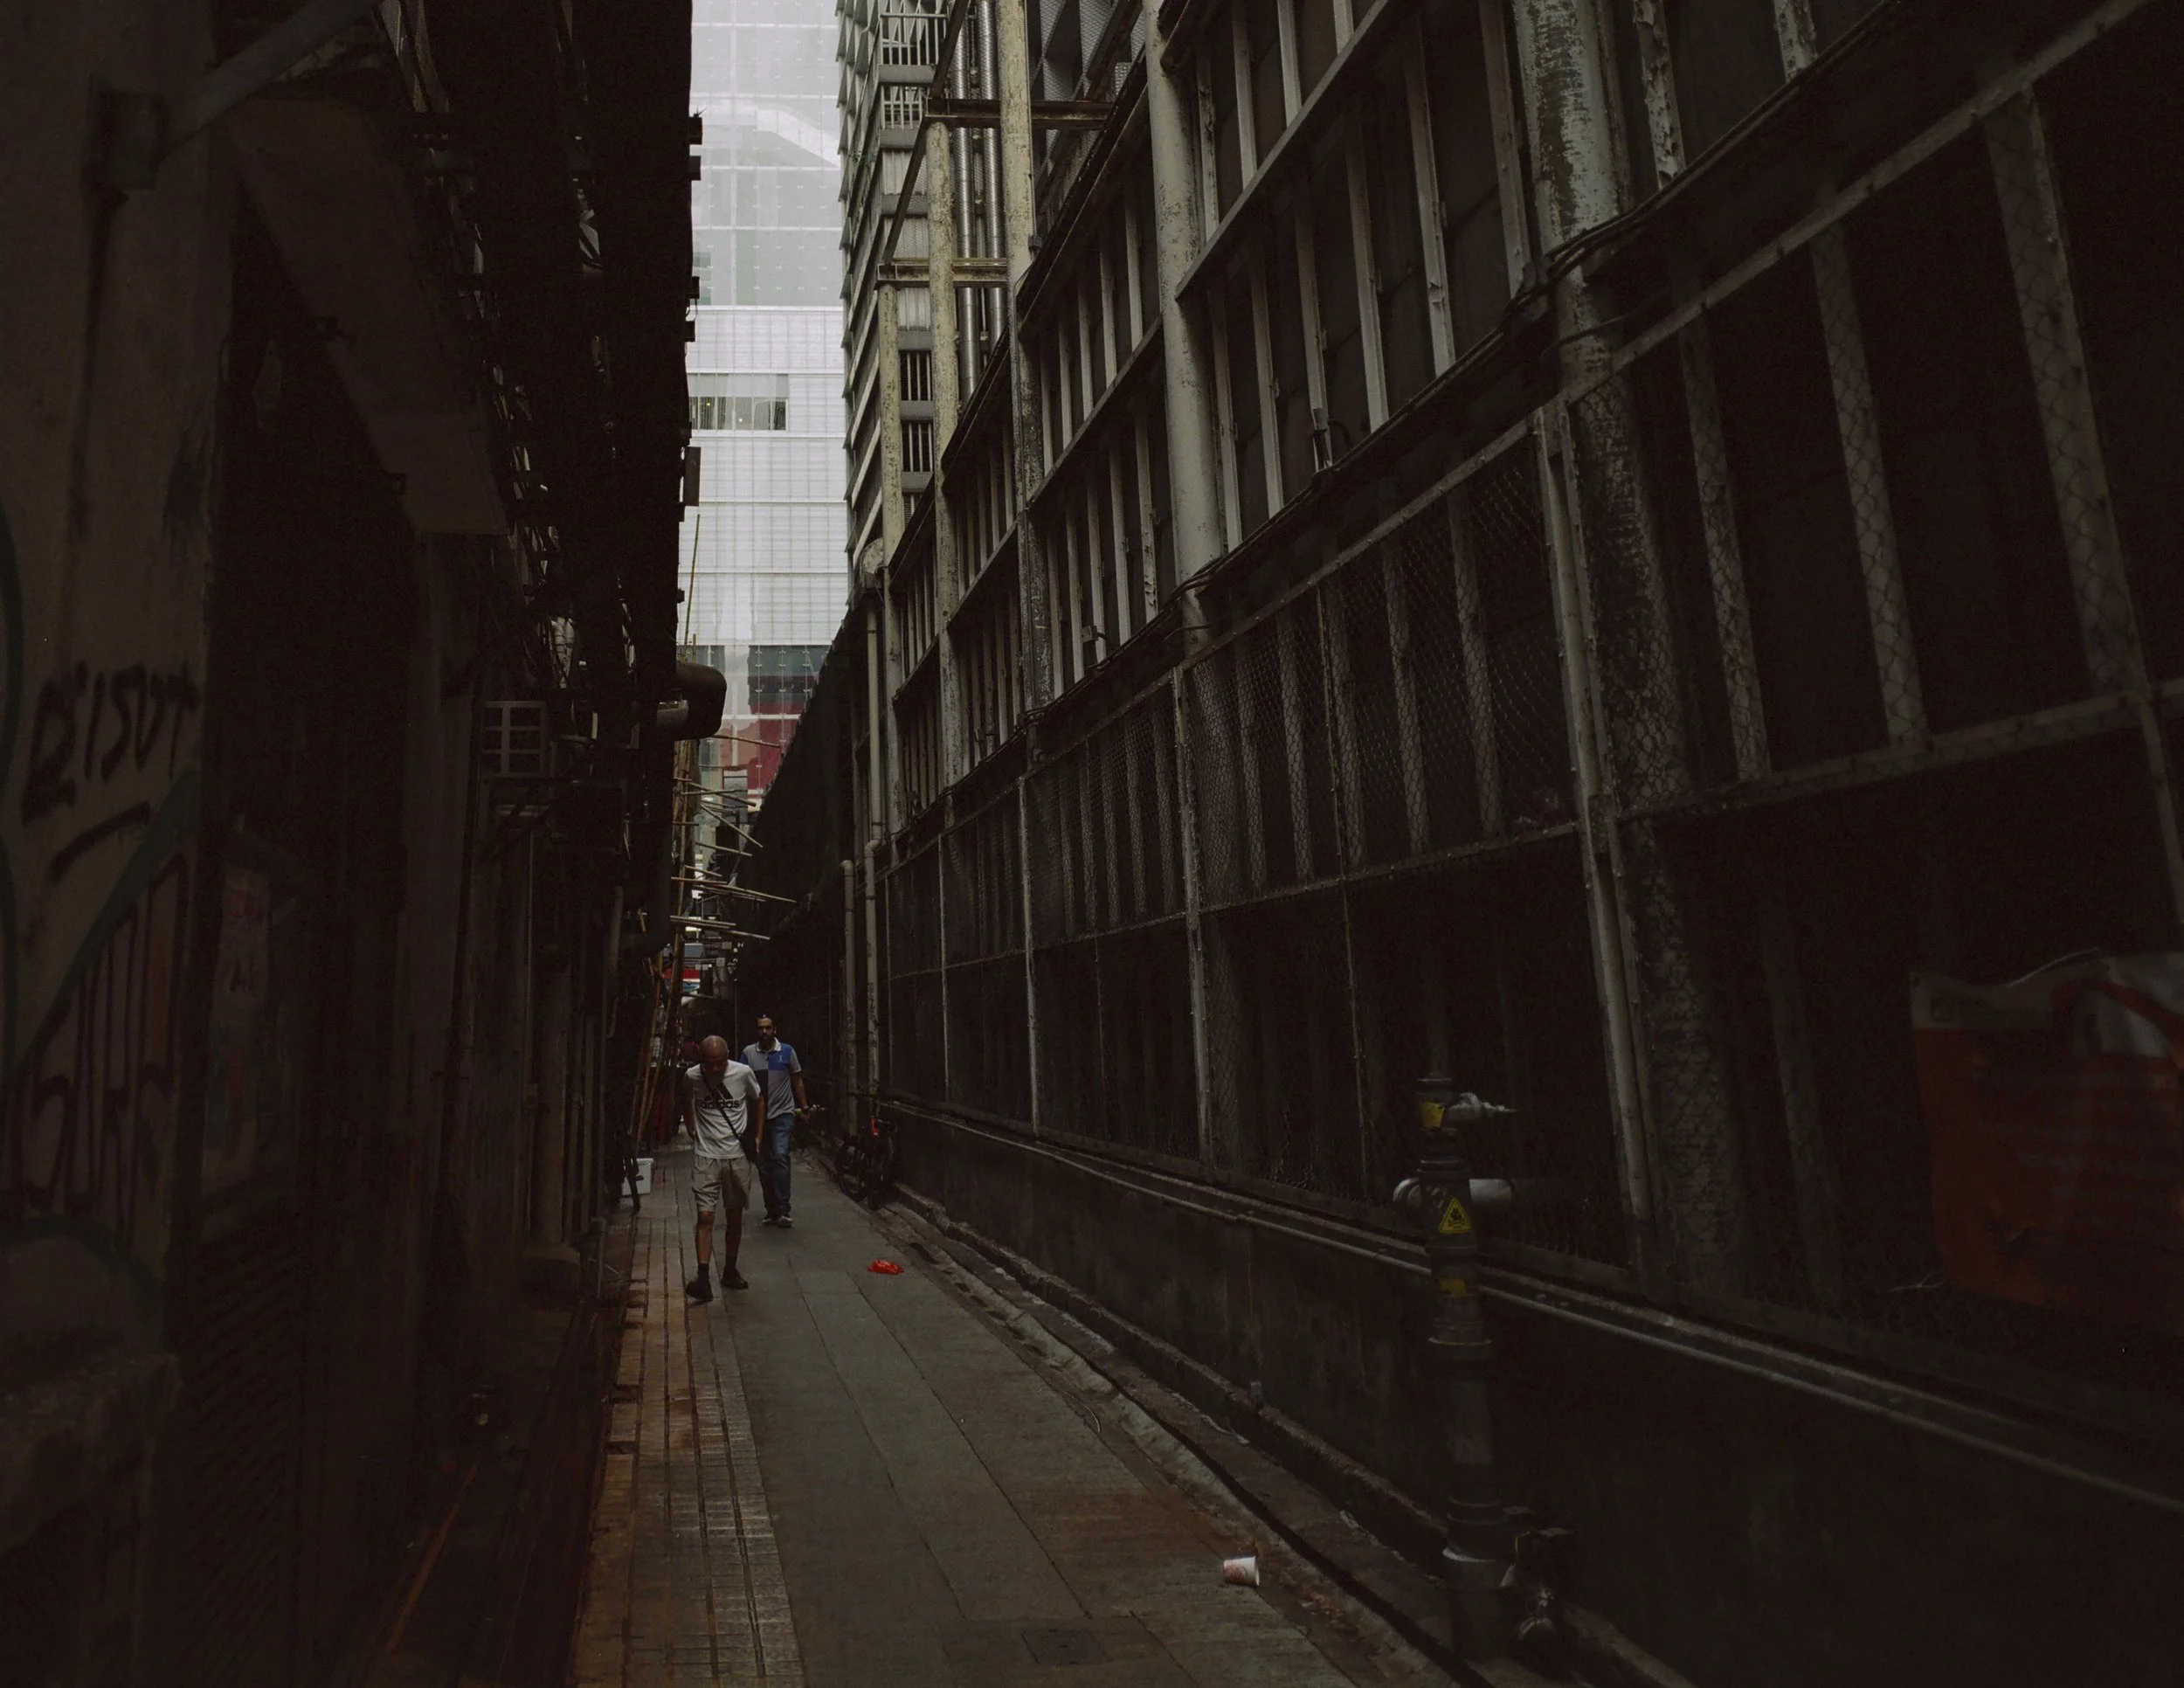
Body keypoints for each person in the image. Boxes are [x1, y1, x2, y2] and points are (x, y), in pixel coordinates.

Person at [683, 1034, 763, 1301]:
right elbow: (686, 1099)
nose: (715, 1069)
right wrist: (691, 1126)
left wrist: (757, 1136)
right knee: (705, 1217)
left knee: (734, 1216)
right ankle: (703, 1277)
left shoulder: (743, 1073)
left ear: (728, 1057)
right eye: (709, 1064)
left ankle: (730, 1268)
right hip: (706, 1156)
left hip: (736, 1156)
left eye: (719, 1063)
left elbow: (759, 1099)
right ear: (701, 1061)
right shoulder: (692, 1076)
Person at [742, 1013, 811, 1227]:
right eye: (761, 1028)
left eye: (768, 1028)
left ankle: (783, 1208)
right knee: (763, 1163)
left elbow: (796, 1079)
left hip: (783, 1114)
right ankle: (771, 1209)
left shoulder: (787, 1052)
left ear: (775, 1030)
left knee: (780, 1155)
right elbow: (741, 1082)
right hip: (758, 1118)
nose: (764, 1032)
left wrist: (804, 1106)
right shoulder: (749, 1054)